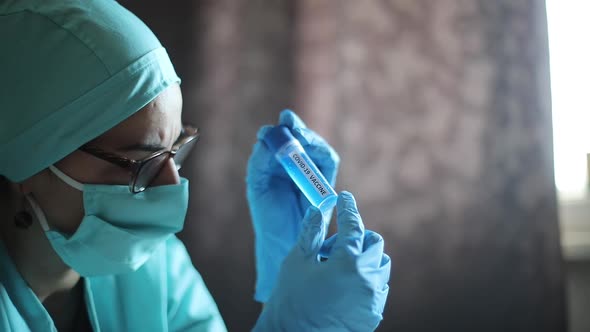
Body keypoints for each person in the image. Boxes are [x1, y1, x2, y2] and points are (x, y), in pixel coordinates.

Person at [0, 1, 391, 331]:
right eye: (140, 160)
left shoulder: (155, 266)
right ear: (27, 160)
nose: (172, 184)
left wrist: (283, 314)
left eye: (176, 149)